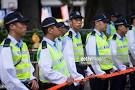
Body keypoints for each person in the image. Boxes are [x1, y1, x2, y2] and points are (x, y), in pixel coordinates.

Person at [0, 11, 39, 90]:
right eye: (22, 23)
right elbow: (7, 76)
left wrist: (32, 78)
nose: (26, 26)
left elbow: (27, 65)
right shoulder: (6, 47)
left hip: (26, 85)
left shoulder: (23, 44)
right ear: (11, 26)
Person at [37, 17, 74, 90]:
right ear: (50, 30)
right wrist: (65, 79)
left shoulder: (55, 43)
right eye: (57, 27)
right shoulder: (45, 48)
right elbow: (47, 72)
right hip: (52, 86)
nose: (60, 29)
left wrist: (68, 76)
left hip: (61, 83)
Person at [63, 11, 93, 90]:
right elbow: (69, 59)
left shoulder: (78, 35)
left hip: (81, 68)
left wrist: (88, 70)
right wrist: (76, 75)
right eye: (76, 20)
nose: (79, 22)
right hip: (73, 70)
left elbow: (81, 55)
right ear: (70, 22)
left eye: (80, 20)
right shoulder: (68, 37)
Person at [85, 14, 116, 90]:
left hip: (105, 71)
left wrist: (112, 67)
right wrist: (99, 72)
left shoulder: (103, 36)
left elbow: (106, 54)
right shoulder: (92, 37)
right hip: (98, 73)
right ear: (97, 23)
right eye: (104, 22)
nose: (106, 24)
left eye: (106, 22)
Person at [109, 18, 133, 90]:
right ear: (119, 27)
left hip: (124, 70)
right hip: (116, 71)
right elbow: (113, 56)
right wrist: (122, 68)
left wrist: (130, 65)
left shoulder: (125, 38)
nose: (127, 28)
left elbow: (126, 54)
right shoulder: (113, 39)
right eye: (125, 26)